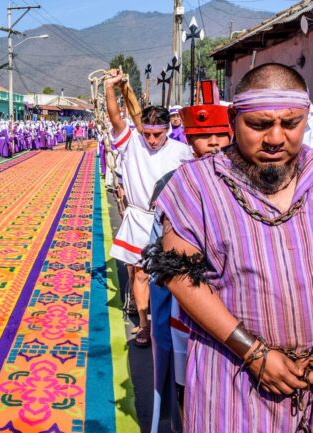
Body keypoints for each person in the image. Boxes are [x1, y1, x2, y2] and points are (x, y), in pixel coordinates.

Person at [149, 63, 313, 432]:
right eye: (259, 125)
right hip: (232, 380)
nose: (275, 138)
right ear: (234, 118)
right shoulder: (195, 184)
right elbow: (177, 275)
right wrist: (255, 355)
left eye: (290, 124)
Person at [144, 85, 233, 433]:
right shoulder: (171, 185)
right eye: (203, 136)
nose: (213, 143)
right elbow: (158, 258)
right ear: (190, 139)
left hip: (239, 307)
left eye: (220, 135)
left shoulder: (250, 182)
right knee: (189, 390)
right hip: (185, 314)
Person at [105, 68, 193, 347]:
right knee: (140, 272)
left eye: (158, 134)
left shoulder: (182, 152)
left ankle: (170, 319)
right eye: (148, 134)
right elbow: (115, 117)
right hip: (138, 217)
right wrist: (110, 87)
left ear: (168, 130)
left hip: (169, 221)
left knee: (169, 275)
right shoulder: (132, 143)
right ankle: (144, 325)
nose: (152, 140)